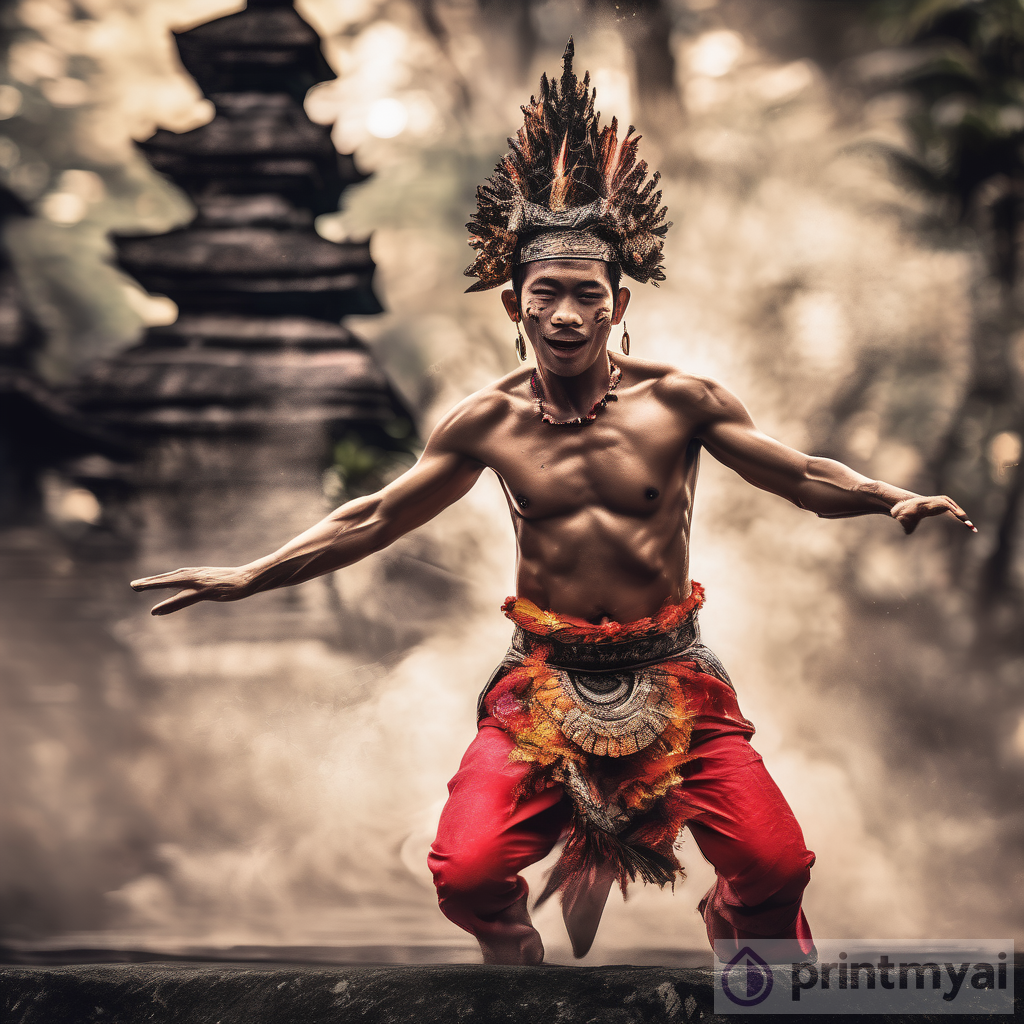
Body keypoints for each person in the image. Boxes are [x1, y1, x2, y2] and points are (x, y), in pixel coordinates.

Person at [131, 41, 975, 966]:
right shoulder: (485, 423)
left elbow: (802, 475)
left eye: (585, 295)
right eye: (546, 296)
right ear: (514, 307)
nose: (565, 315)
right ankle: (514, 967)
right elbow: (372, 517)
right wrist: (248, 575)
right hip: (541, 681)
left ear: (617, 303)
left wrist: (890, 497)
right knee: (466, 868)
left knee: (774, 865)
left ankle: (750, 954)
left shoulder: (682, 402)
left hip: (676, 677)